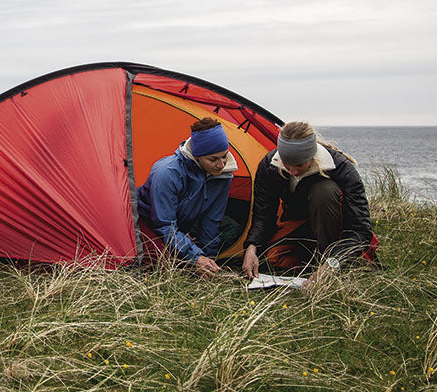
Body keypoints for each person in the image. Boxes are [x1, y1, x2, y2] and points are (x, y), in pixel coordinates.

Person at [242, 121, 377, 279]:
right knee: (272, 257)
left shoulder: (341, 168)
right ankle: (311, 261)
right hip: (298, 227)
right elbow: (263, 214)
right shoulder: (270, 165)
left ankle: (326, 261)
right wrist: (251, 247)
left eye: (299, 165)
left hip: (335, 234)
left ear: (311, 156)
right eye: (287, 165)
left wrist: (333, 262)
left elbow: (360, 230)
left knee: (324, 190)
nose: (292, 172)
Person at [137, 117, 239, 275]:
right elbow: (164, 224)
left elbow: (211, 220)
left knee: (232, 231)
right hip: (146, 221)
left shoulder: (222, 174)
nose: (221, 164)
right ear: (197, 156)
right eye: (213, 159)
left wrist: (209, 257)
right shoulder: (167, 173)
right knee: (162, 263)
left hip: (181, 225)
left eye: (224, 156)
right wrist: (196, 257)